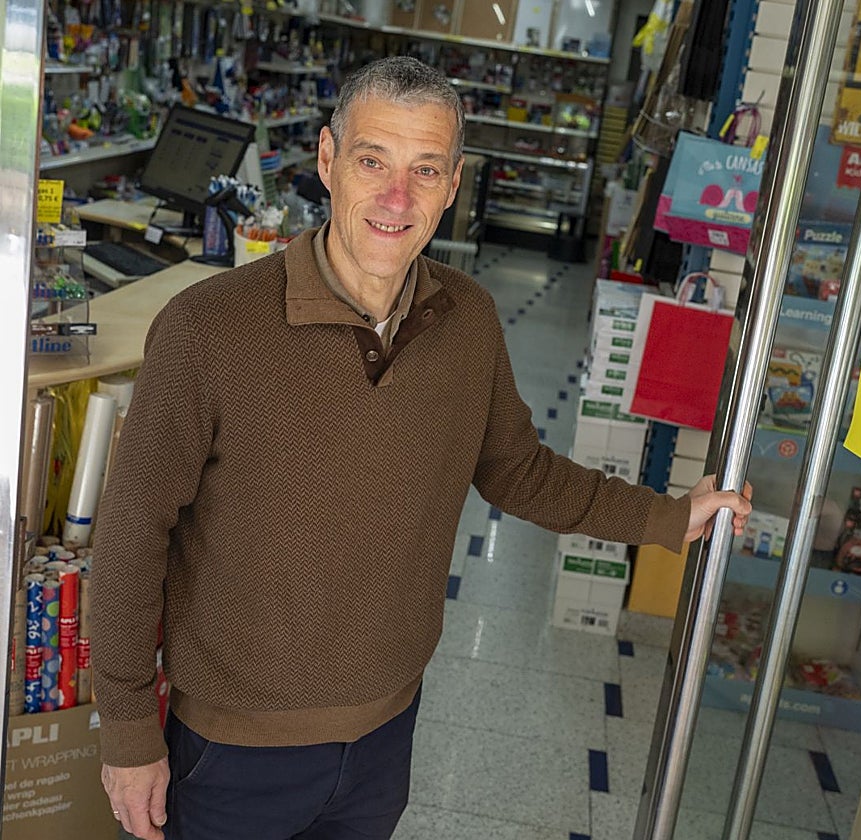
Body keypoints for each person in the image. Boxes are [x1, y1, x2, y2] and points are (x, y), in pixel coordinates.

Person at [91, 55, 752, 840]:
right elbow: (132, 533)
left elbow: (520, 471)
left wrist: (670, 519)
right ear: (329, 161)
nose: (396, 198)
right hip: (232, 751)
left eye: (425, 170)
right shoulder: (208, 329)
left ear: (454, 182)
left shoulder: (467, 318)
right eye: (373, 160)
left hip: (385, 735)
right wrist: (130, 729)